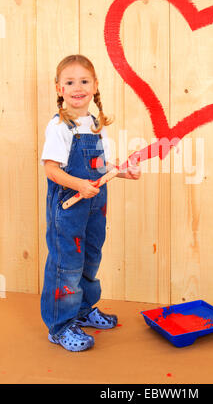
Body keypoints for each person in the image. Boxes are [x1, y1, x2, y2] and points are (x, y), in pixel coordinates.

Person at [40, 54, 141, 351]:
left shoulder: (95, 124)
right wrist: (78, 185)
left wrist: (121, 171)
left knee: (90, 259)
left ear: (95, 86)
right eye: (70, 82)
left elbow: (99, 165)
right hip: (69, 207)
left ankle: (82, 311)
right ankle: (60, 327)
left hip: (95, 207)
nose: (77, 88)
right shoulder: (59, 126)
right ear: (59, 89)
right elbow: (51, 169)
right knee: (67, 265)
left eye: (84, 81)